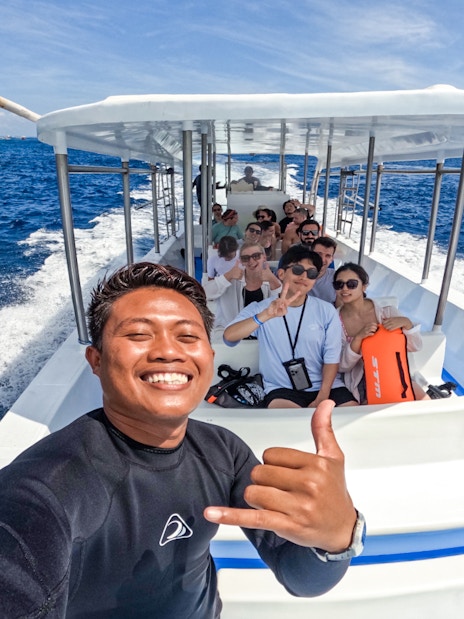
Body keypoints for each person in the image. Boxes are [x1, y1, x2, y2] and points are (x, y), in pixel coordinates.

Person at [0, 261, 363, 618]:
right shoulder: (46, 486)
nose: (168, 351)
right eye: (139, 334)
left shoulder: (224, 452)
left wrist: (336, 537)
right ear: (95, 360)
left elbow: (301, 577)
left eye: (188, 336)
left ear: (208, 356)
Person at [224, 246, 358, 409]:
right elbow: (229, 337)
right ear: (281, 274)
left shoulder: (326, 310)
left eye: (311, 273)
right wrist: (266, 315)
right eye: (297, 269)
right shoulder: (260, 308)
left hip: (327, 387)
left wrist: (322, 396)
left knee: (352, 416)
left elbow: (332, 356)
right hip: (281, 389)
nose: (304, 277)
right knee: (291, 424)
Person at [334, 262, 424, 403]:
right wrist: (358, 339)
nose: (344, 289)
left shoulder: (387, 312)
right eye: (339, 285)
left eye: (351, 284)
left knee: (425, 402)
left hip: (393, 372)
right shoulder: (334, 321)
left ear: (364, 286)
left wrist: (407, 323)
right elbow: (342, 366)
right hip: (362, 380)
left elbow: (416, 346)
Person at [204, 242, 281, 339]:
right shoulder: (231, 280)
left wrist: (273, 280)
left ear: (264, 257)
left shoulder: (272, 280)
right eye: (246, 258)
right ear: (240, 261)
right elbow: (204, 294)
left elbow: (285, 306)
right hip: (231, 337)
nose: (251, 261)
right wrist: (229, 275)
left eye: (256, 256)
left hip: (264, 337)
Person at [309, 237, 337, 304]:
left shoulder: (337, 278)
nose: (322, 259)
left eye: (328, 256)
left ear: (332, 259)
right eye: (318, 254)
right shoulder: (296, 274)